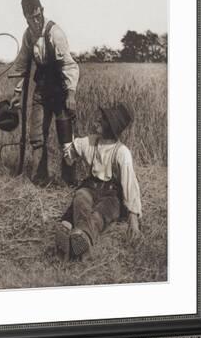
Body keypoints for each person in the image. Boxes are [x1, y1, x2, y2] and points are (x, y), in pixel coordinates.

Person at [54, 102, 142, 261]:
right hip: (90, 187)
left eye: (103, 119)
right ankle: (77, 239)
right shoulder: (90, 141)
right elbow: (70, 154)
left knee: (101, 213)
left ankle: (81, 237)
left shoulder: (122, 152)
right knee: (81, 199)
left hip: (112, 195)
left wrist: (133, 218)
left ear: (112, 127)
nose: (98, 121)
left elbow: (130, 185)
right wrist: (66, 138)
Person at [10, 0, 79, 185]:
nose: (35, 21)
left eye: (37, 16)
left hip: (60, 89)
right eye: (31, 18)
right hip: (41, 89)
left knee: (66, 138)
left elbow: (70, 66)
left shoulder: (55, 32)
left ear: (42, 11)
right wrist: (17, 93)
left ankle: (69, 180)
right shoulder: (28, 35)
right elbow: (22, 65)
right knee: (37, 137)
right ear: (25, 17)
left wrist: (71, 93)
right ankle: (40, 180)